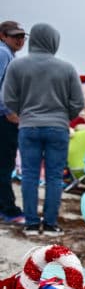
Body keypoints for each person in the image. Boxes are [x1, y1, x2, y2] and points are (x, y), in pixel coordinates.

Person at [0, 23, 83, 236]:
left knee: (29, 175)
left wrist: (23, 113)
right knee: (54, 177)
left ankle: (30, 223)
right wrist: (64, 116)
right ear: (54, 41)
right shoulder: (66, 68)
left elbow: (7, 97)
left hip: (28, 126)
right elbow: (78, 102)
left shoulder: (17, 66)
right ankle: (50, 224)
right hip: (58, 127)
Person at [0, 20, 28, 224]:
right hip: (4, 118)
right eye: (15, 36)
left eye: (22, 36)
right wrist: (8, 111)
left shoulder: (8, 54)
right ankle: (8, 209)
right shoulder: (3, 53)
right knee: (4, 163)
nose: (20, 40)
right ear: (3, 35)